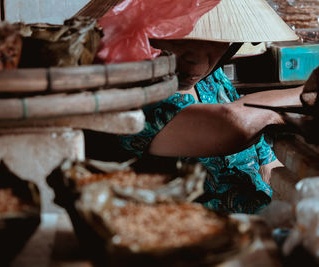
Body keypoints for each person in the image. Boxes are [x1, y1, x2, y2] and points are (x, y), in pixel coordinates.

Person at [80, 0, 304, 214]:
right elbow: (232, 123)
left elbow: (267, 165)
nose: (196, 59)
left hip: (261, 226)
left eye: (211, 40)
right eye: (178, 40)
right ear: (145, 36)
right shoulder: (132, 96)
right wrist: (313, 91)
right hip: (187, 238)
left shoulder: (213, 80)